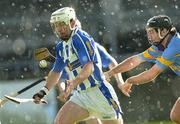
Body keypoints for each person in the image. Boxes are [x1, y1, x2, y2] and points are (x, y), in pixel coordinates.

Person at [33, 7, 124, 124]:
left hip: (100, 93)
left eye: (62, 24)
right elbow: (56, 71)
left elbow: (90, 66)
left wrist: (73, 83)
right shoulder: (61, 46)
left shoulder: (79, 38)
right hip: (82, 96)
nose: (59, 29)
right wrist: (43, 92)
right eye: (56, 25)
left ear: (72, 22)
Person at [104, 15, 180, 123]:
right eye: (148, 32)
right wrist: (110, 73)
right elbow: (135, 60)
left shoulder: (174, 46)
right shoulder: (161, 46)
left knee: (176, 115)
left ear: (163, 31)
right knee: (176, 116)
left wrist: (129, 80)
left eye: (152, 31)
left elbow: (151, 74)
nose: (149, 35)